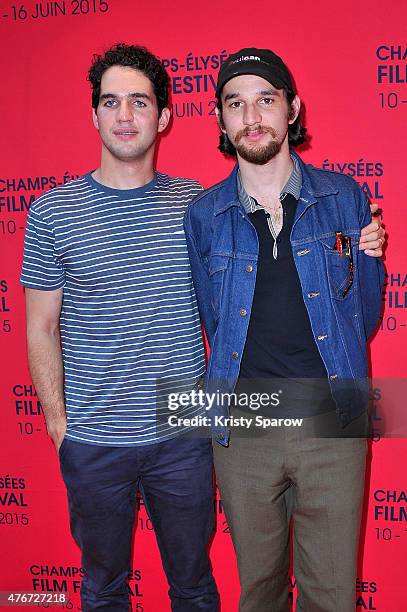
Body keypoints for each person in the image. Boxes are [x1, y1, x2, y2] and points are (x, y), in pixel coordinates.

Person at [183, 48, 384, 611]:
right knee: (259, 593)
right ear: (222, 120)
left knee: (332, 594)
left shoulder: (345, 196)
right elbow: (212, 320)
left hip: (332, 418)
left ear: (292, 108)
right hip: (243, 424)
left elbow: (362, 318)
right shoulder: (205, 214)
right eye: (236, 104)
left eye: (265, 100)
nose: (252, 117)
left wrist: (372, 259)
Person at [20, 43, 219, 611]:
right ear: (94, 116)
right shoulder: (52, 212)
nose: (125, 115)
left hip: (183, 438)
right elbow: (40, 328)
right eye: (111, 102)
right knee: (103, 590)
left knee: (194, 587)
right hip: (94, 441)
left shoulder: (198, 207)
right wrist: (61, 427)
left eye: (139, 101)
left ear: (164, 116)